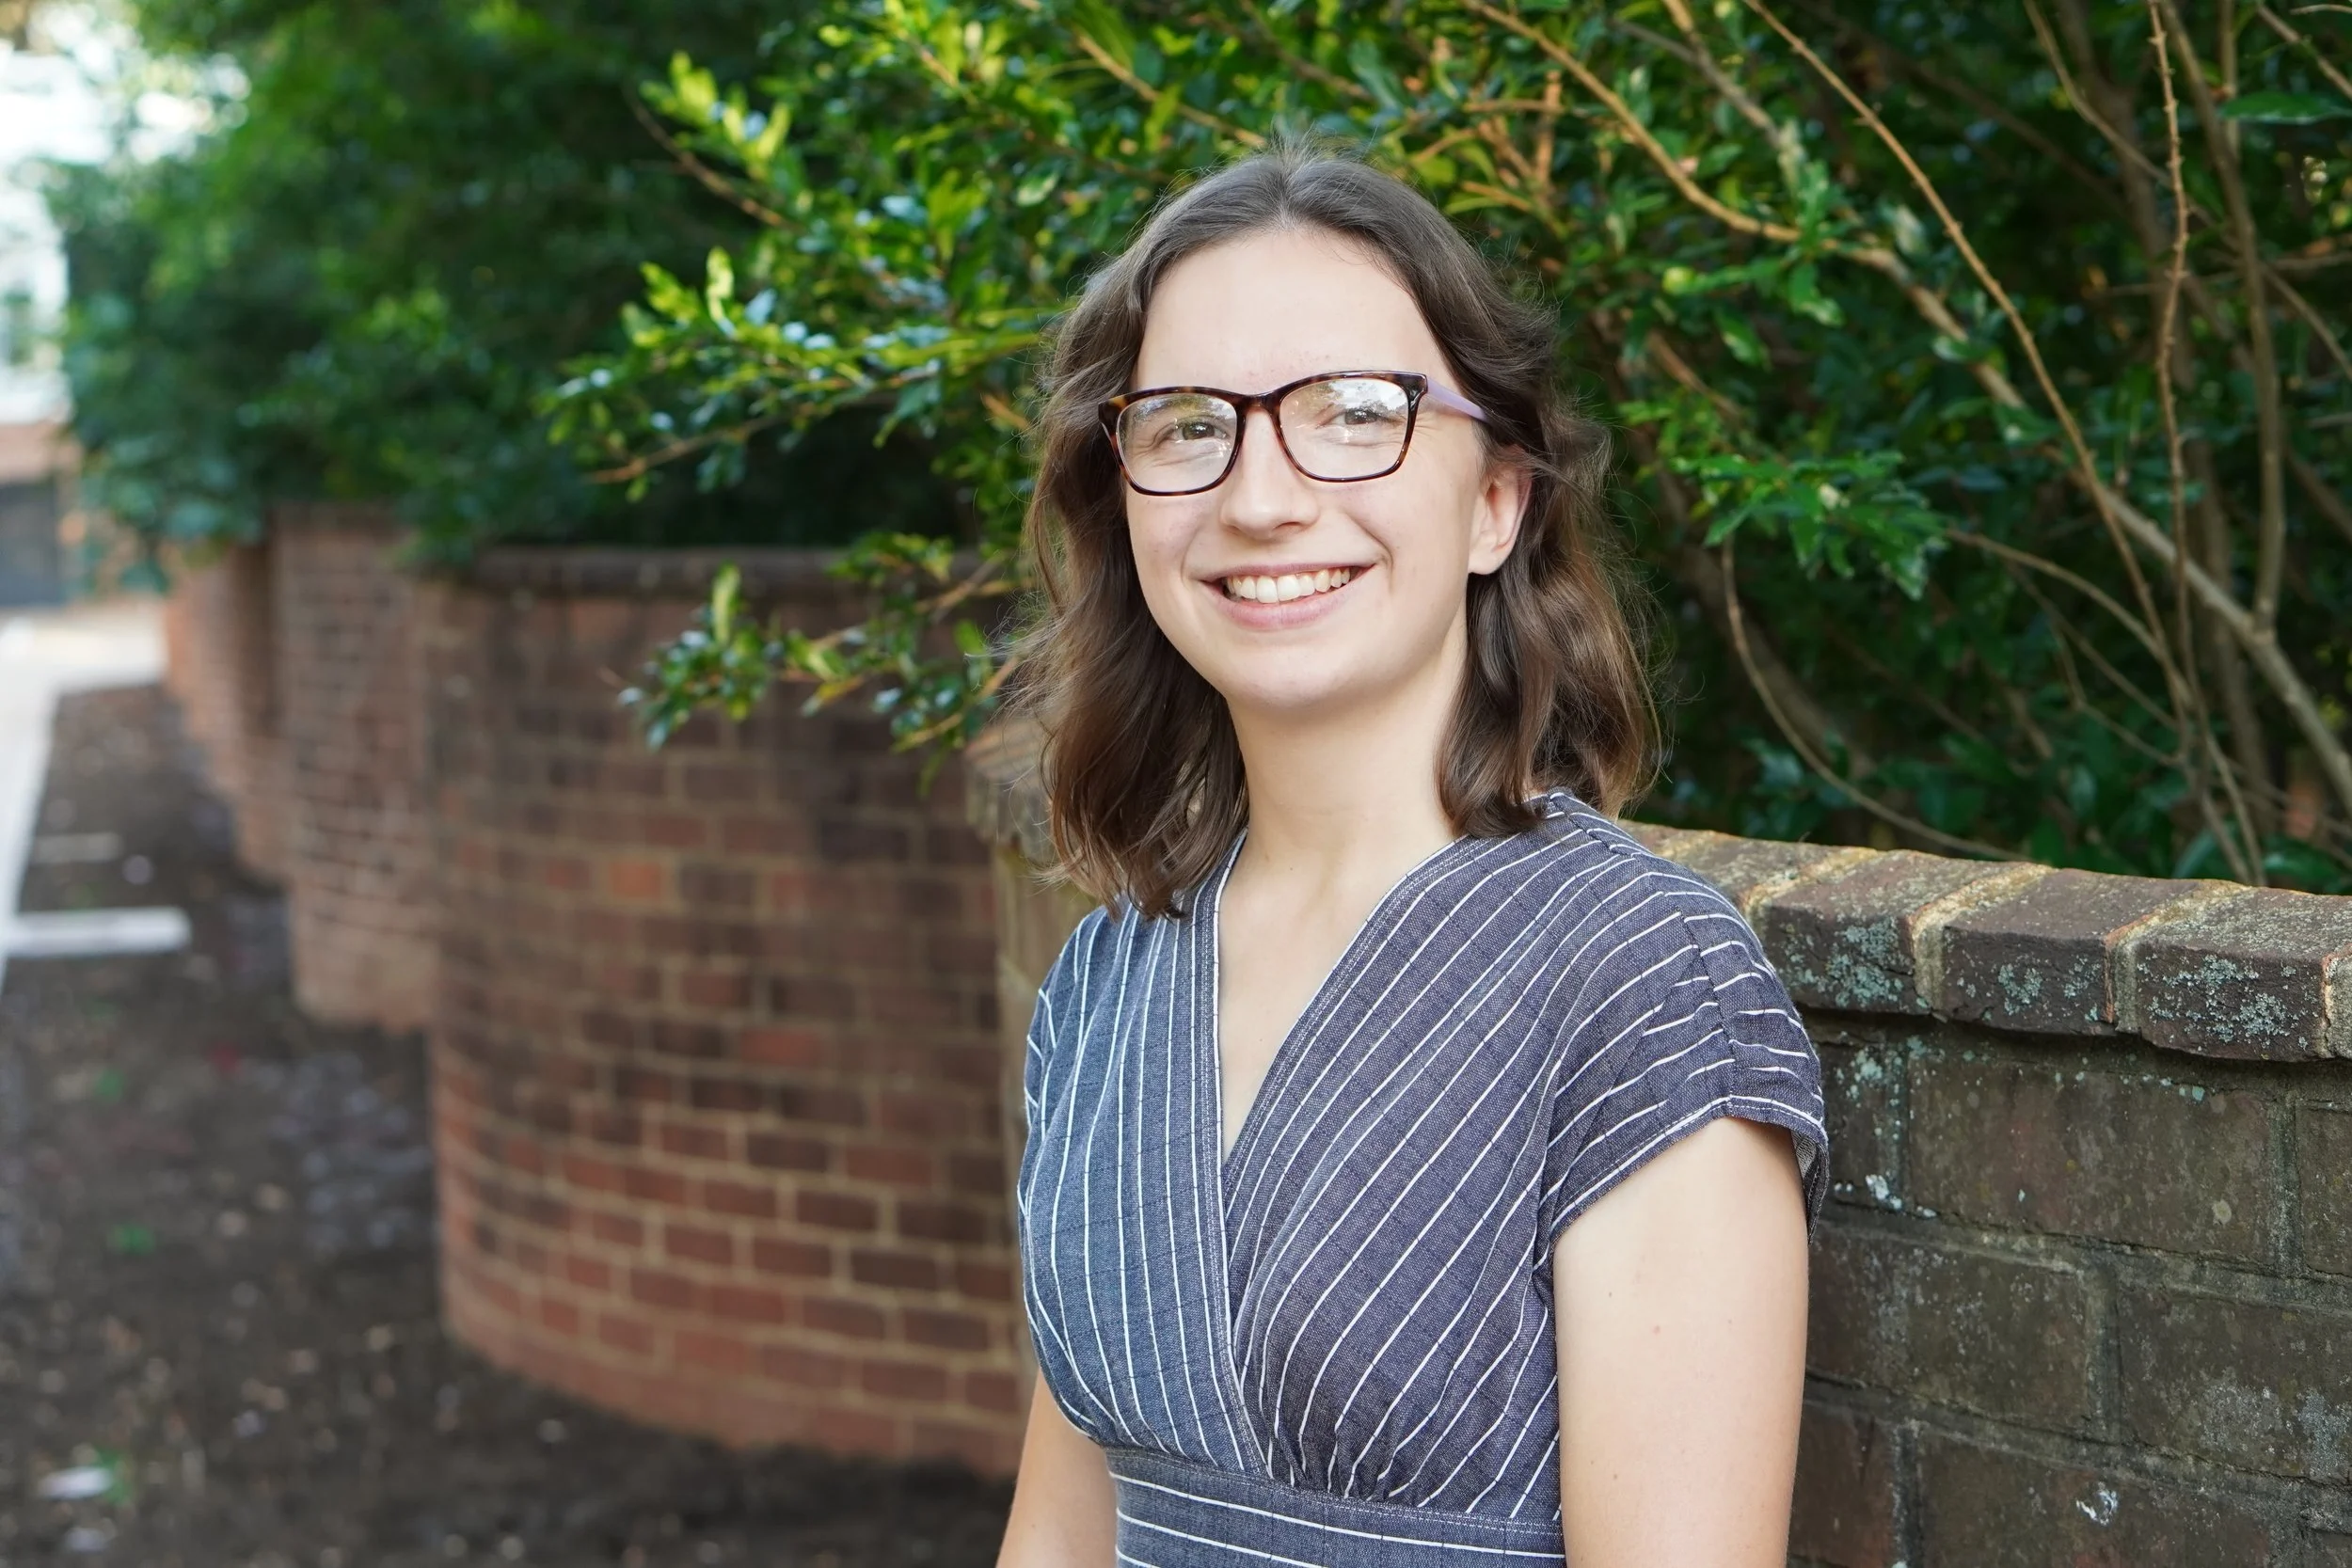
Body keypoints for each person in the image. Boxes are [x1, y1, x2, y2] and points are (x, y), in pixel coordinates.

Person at [994, 142, 1827, 1568]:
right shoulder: (1109, 974)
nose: (1259, 496)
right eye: (1191, 422)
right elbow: (1064, 1538)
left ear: (1499, 497)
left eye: (1352, 413)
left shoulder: (1638, 988)